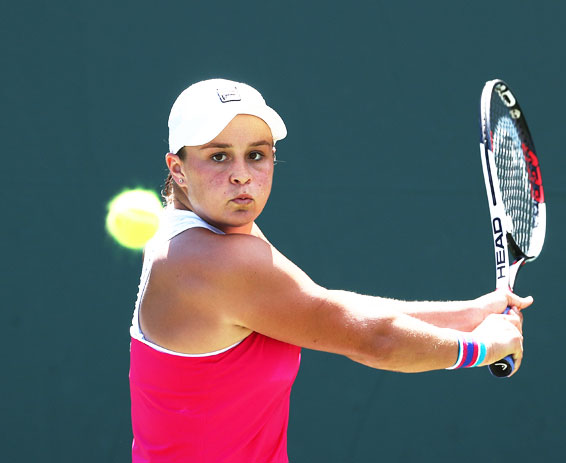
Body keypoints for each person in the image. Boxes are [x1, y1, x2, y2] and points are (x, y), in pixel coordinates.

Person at [128, 78, 533, 463]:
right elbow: (378, 340)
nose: (241, 173)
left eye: (257, 154)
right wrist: (485, 347)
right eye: (218, 156)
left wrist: (471, 314)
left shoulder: (204, 234)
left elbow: (328, 307)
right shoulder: (215, 259)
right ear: (177, 168)